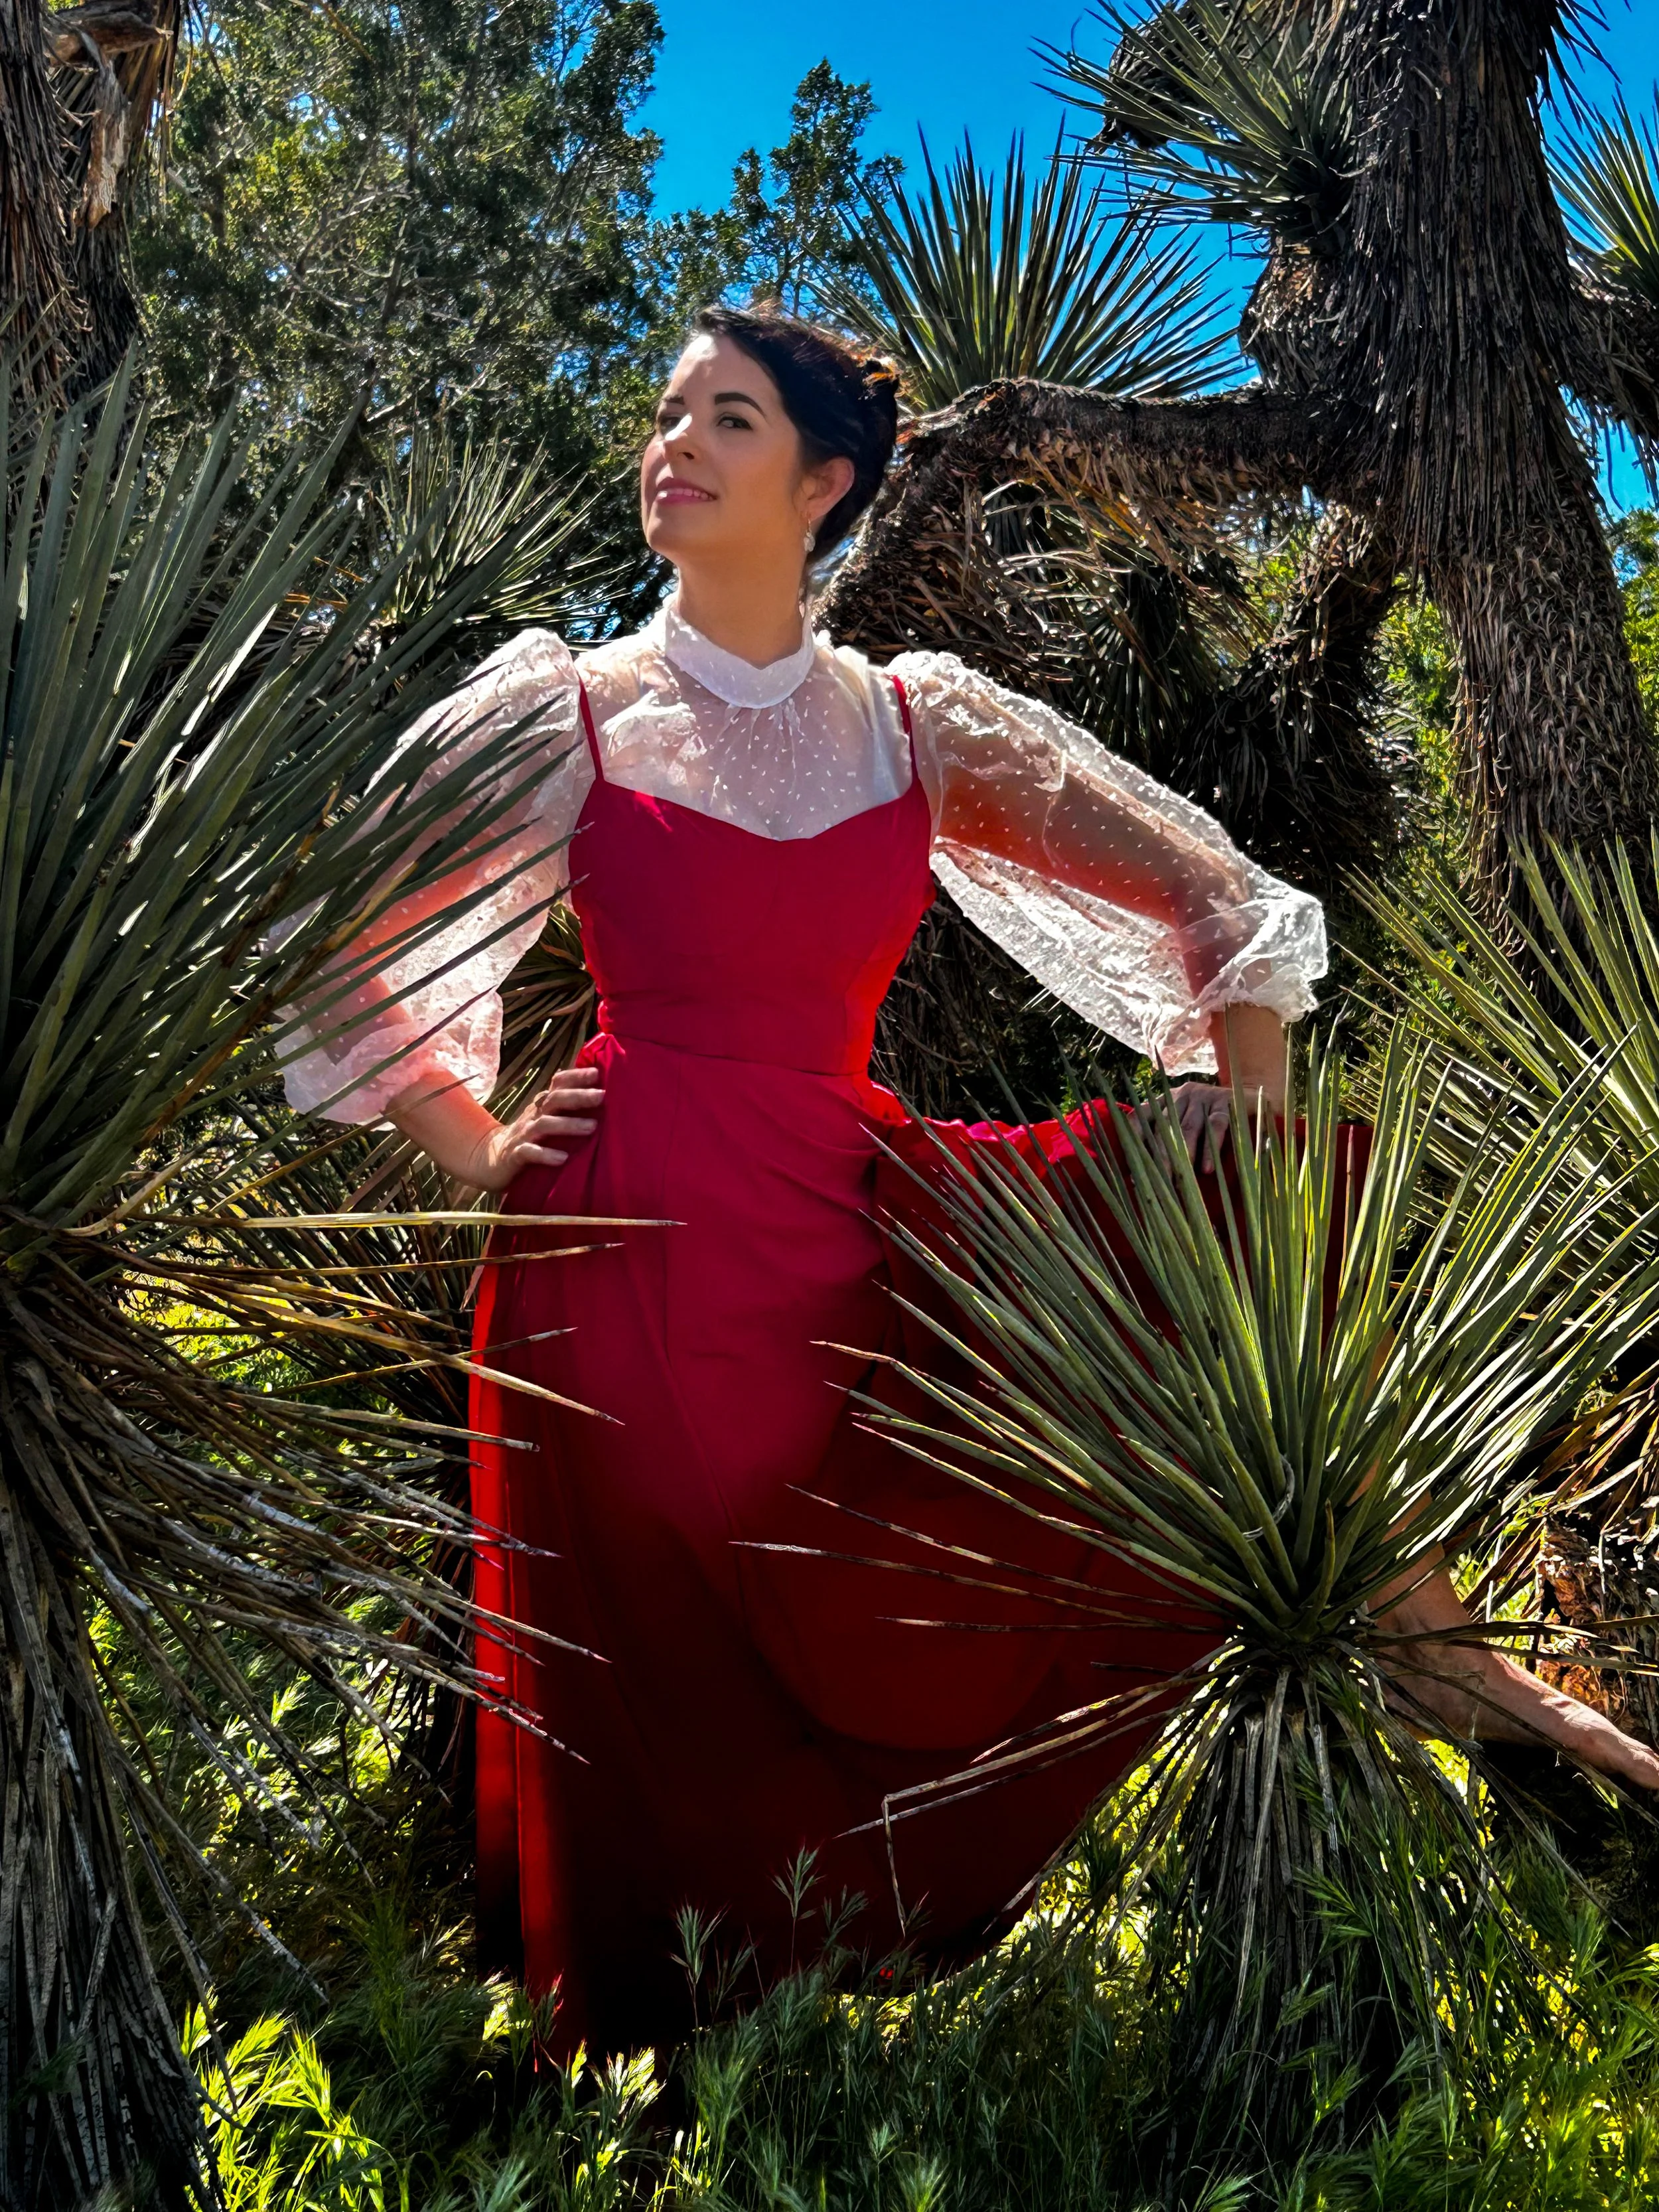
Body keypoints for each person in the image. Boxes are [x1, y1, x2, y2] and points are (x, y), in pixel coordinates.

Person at [281, 305, 1659, 2058]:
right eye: (666, 416)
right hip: (618, 1257)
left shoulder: (912, 727)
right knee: (668, 1684)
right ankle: (638, 2069)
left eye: (725, 419)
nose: (673, 447)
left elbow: (1220, 907)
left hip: (845, 1232)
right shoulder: (568, 710)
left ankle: (1428, 1656)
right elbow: (354, 948)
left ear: (826, 480)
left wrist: (1236, 1163)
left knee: (1168, 1239)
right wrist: (481, 1157)